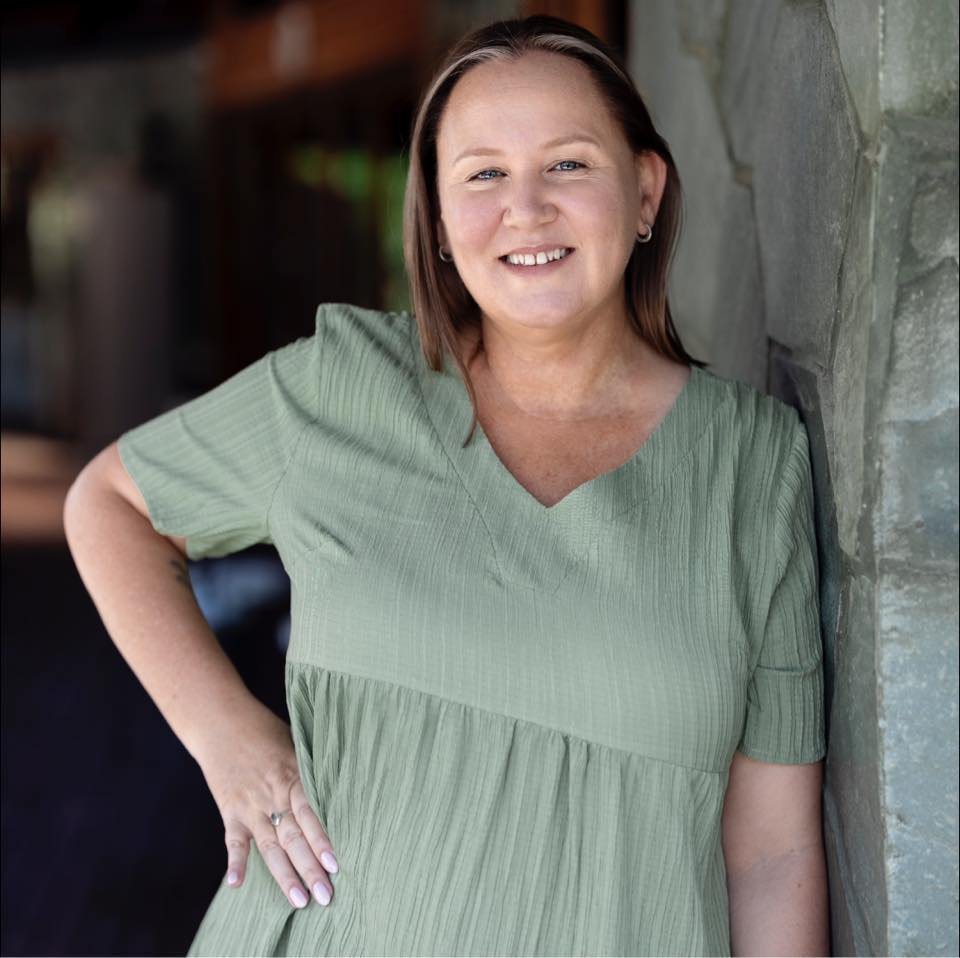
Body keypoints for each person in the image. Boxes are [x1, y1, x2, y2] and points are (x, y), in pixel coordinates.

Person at [64, 14, 829, 957]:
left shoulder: (754, 465)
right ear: (434, 217)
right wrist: (229, 736)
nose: (526, 208)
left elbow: (772, 854)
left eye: (569, 164)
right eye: (483, 174)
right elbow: (110, 503)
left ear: (645, 191)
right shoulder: (340, 384)